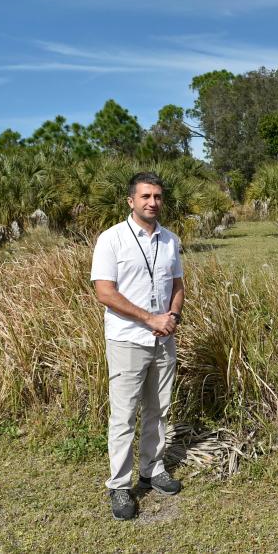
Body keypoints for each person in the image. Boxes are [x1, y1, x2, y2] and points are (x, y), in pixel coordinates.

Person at [90, 172, 185, 520]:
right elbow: (105, 292)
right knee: (124, 414)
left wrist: (172, 315)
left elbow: (177, 284)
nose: (152, 202)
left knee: (158, 409)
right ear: (131, 201)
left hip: (164, 338)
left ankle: (152, 469)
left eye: (157, 196)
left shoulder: (170, 240)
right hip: (128, 339)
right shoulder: (112, 239)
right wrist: (150, 319)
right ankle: (119, 485)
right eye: (145, 196)